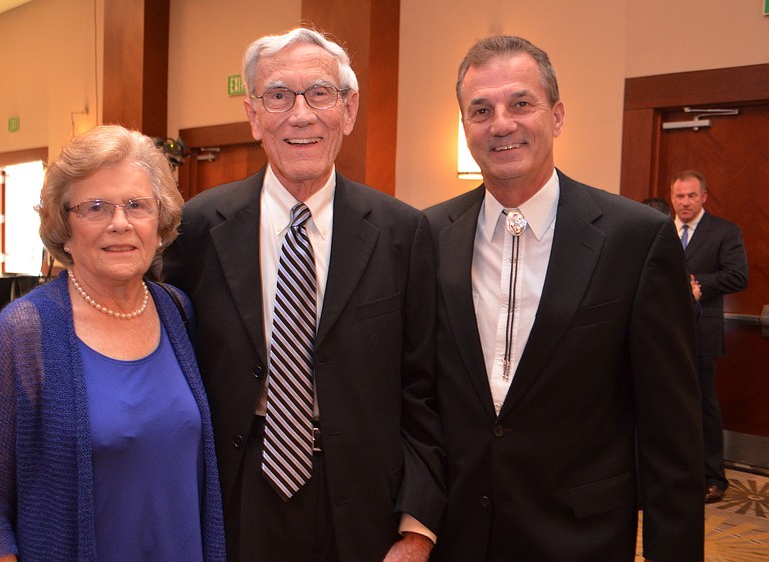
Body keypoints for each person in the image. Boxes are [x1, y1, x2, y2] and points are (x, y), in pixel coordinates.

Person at [161, 27, 445, 562]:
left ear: (349, 109)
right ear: (253, 115)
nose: (301, 115)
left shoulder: (402, 232)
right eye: (278, 96)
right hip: (234, 490)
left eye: (320, 93)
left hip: (364, 503)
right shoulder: (197, 227)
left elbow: (423, 389)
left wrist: (418, 526)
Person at [425, 35, 704, 561]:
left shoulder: (634, 239)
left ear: (556, 116)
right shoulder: (427, 235)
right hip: (457, 532)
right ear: (465, 127)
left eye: (520, 103)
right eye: (481, 110)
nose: (501, 123)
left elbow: (672, 436)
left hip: (579, 538)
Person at [0, 125, 226, 562]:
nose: (120, 223)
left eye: (137, 205)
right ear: (64, 228)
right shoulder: (26, 330)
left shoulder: (177, 311)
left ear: (160, 224)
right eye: (96, 207)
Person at [671, 170, 749, 504]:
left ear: (704, 196)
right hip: (662, 332)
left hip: (701, 332)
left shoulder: (724, 231)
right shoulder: (657, 228)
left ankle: (714, 477)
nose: (684, 202)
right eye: (679, 196)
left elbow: (737, 276)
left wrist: (695, 282)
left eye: (691, 196)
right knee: (666, 406)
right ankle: (673, 473)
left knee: (703, 405)